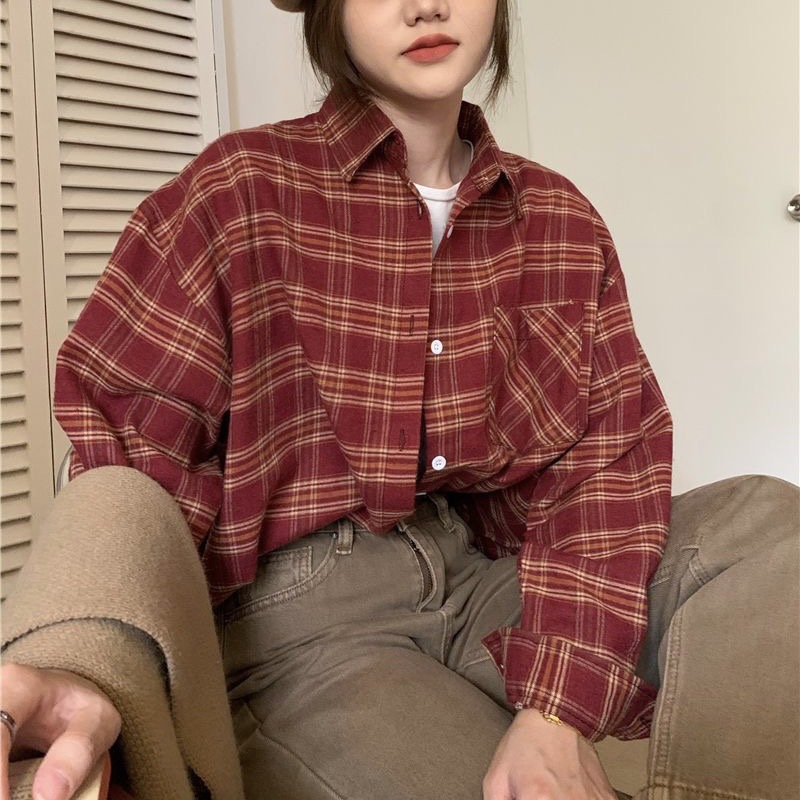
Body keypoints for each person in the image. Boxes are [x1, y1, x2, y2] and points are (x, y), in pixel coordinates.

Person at [2, 2, 798, 799]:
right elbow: (124, 464)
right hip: (302, 618)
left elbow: (604, 467)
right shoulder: (239, 191)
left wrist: (554, 711)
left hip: (479, 572)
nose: (426, 4)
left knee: (769, 523)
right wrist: (83, 658)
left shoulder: (559, 221)